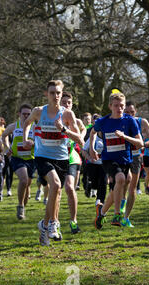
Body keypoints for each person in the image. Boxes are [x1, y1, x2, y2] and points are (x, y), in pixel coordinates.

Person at [22, 80, 83, 246]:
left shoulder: (68, 115)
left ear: (62, 94)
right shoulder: (38, 111)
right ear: (46, 94)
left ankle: (44, 225)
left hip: (62, 158)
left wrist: (64, 129)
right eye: (52, 93)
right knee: (55, 185)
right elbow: (26, 123)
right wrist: (26, 139)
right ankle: (54, 223)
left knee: (57, 193)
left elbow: (80, 140)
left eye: (58, 93)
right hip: (42, 156)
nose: (55, 96)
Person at [90, 92, 143, 229]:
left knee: (117, 190)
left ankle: (101, 213)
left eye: (121, 106)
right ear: (110, 106)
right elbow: (92, 132)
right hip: (108, 159)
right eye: (116, 106)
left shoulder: (129, 121)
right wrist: (91, 148)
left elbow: (140, 143)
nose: (119, 108)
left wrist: (125, 136)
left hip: (125, 160)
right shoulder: (103, 121)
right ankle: (117, 215)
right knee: (120, 179)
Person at [122, 101, 149, 227]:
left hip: (136, 157)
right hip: (122, 156)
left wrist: (143, 144)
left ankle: (126, 217)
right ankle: (120, 209)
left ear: (135, 112)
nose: (130, 114)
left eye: (132, 112)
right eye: (127, 112)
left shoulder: (142, 122)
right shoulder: (119, 121)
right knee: (124, 182)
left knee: (132, 187)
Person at [1, 104, 36, 219]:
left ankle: (23, 209)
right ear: (19, 114)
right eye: (24, 114)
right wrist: (7, 147)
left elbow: (41, 141)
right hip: (17, 158)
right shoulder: (14, 126)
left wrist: (33, 144)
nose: (26, 116)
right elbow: (4, 135)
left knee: (27, 184)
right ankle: (20, 205)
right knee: (24, 179)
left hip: (31, 159)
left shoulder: (35, 127)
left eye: (28, 114)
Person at [60, 92, 86, 234]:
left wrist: (79, 137)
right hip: (55, 157)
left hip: (71, 157)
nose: (67, 105)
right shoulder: (54, 117)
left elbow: (82, 131)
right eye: (64, 102)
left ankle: (73, 221)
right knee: (56, 190)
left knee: (70, 188)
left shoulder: (75, 120)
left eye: (69, 102)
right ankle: (53, 221)